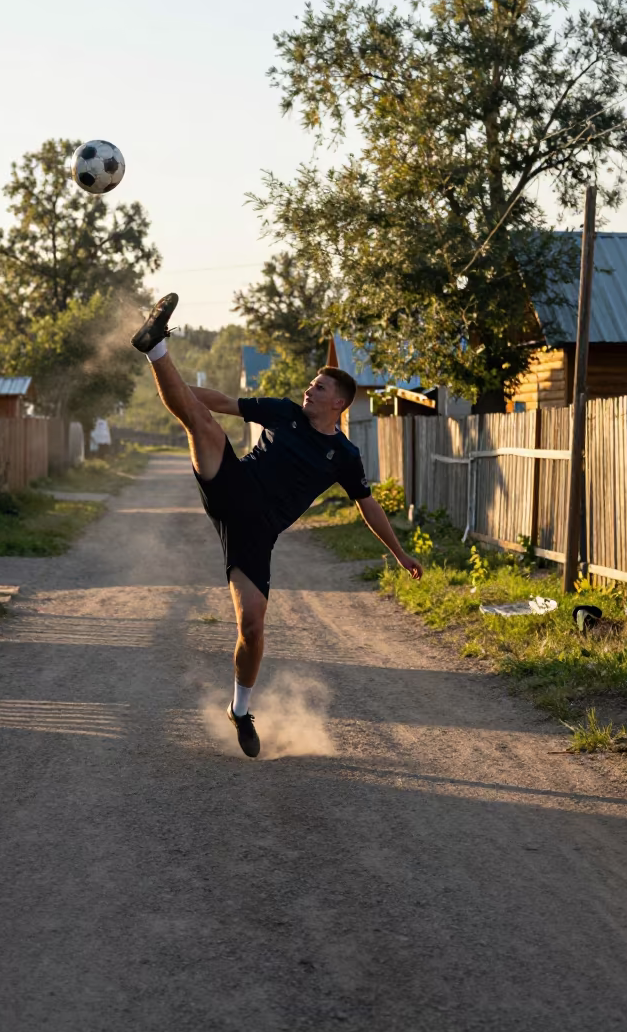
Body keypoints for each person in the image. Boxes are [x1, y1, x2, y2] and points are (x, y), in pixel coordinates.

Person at [130, 293, 423, 758]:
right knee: (202, 423)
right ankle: (154, 348)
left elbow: (368, 505)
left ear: (340, 404)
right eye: (311, 384)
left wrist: (399, 553)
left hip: (257, 532)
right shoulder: (283, 412)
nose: (309, 391)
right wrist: (176, 387)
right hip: (231, 484)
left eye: (320, 388)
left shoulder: (345, 456)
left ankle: (240, 710)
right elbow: (222, 402)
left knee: (253, 624)